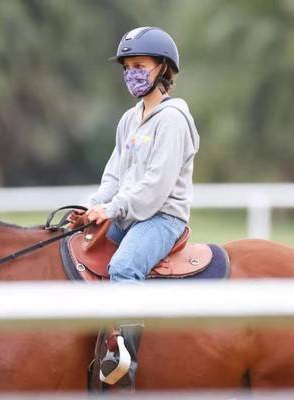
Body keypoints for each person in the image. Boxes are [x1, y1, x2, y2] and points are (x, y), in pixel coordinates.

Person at [78, 27, 200, 389]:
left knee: (125, 265)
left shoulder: (174, 120)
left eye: (140, 65)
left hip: (162, 217)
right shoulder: (129, 120)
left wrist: (113, 210)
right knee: (75, 246)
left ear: (163, 68)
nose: (131, 72)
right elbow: (113, 178)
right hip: (127, 212)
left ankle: (123, 362)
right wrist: (92, 208)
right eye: (127, 66)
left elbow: (155, 189)